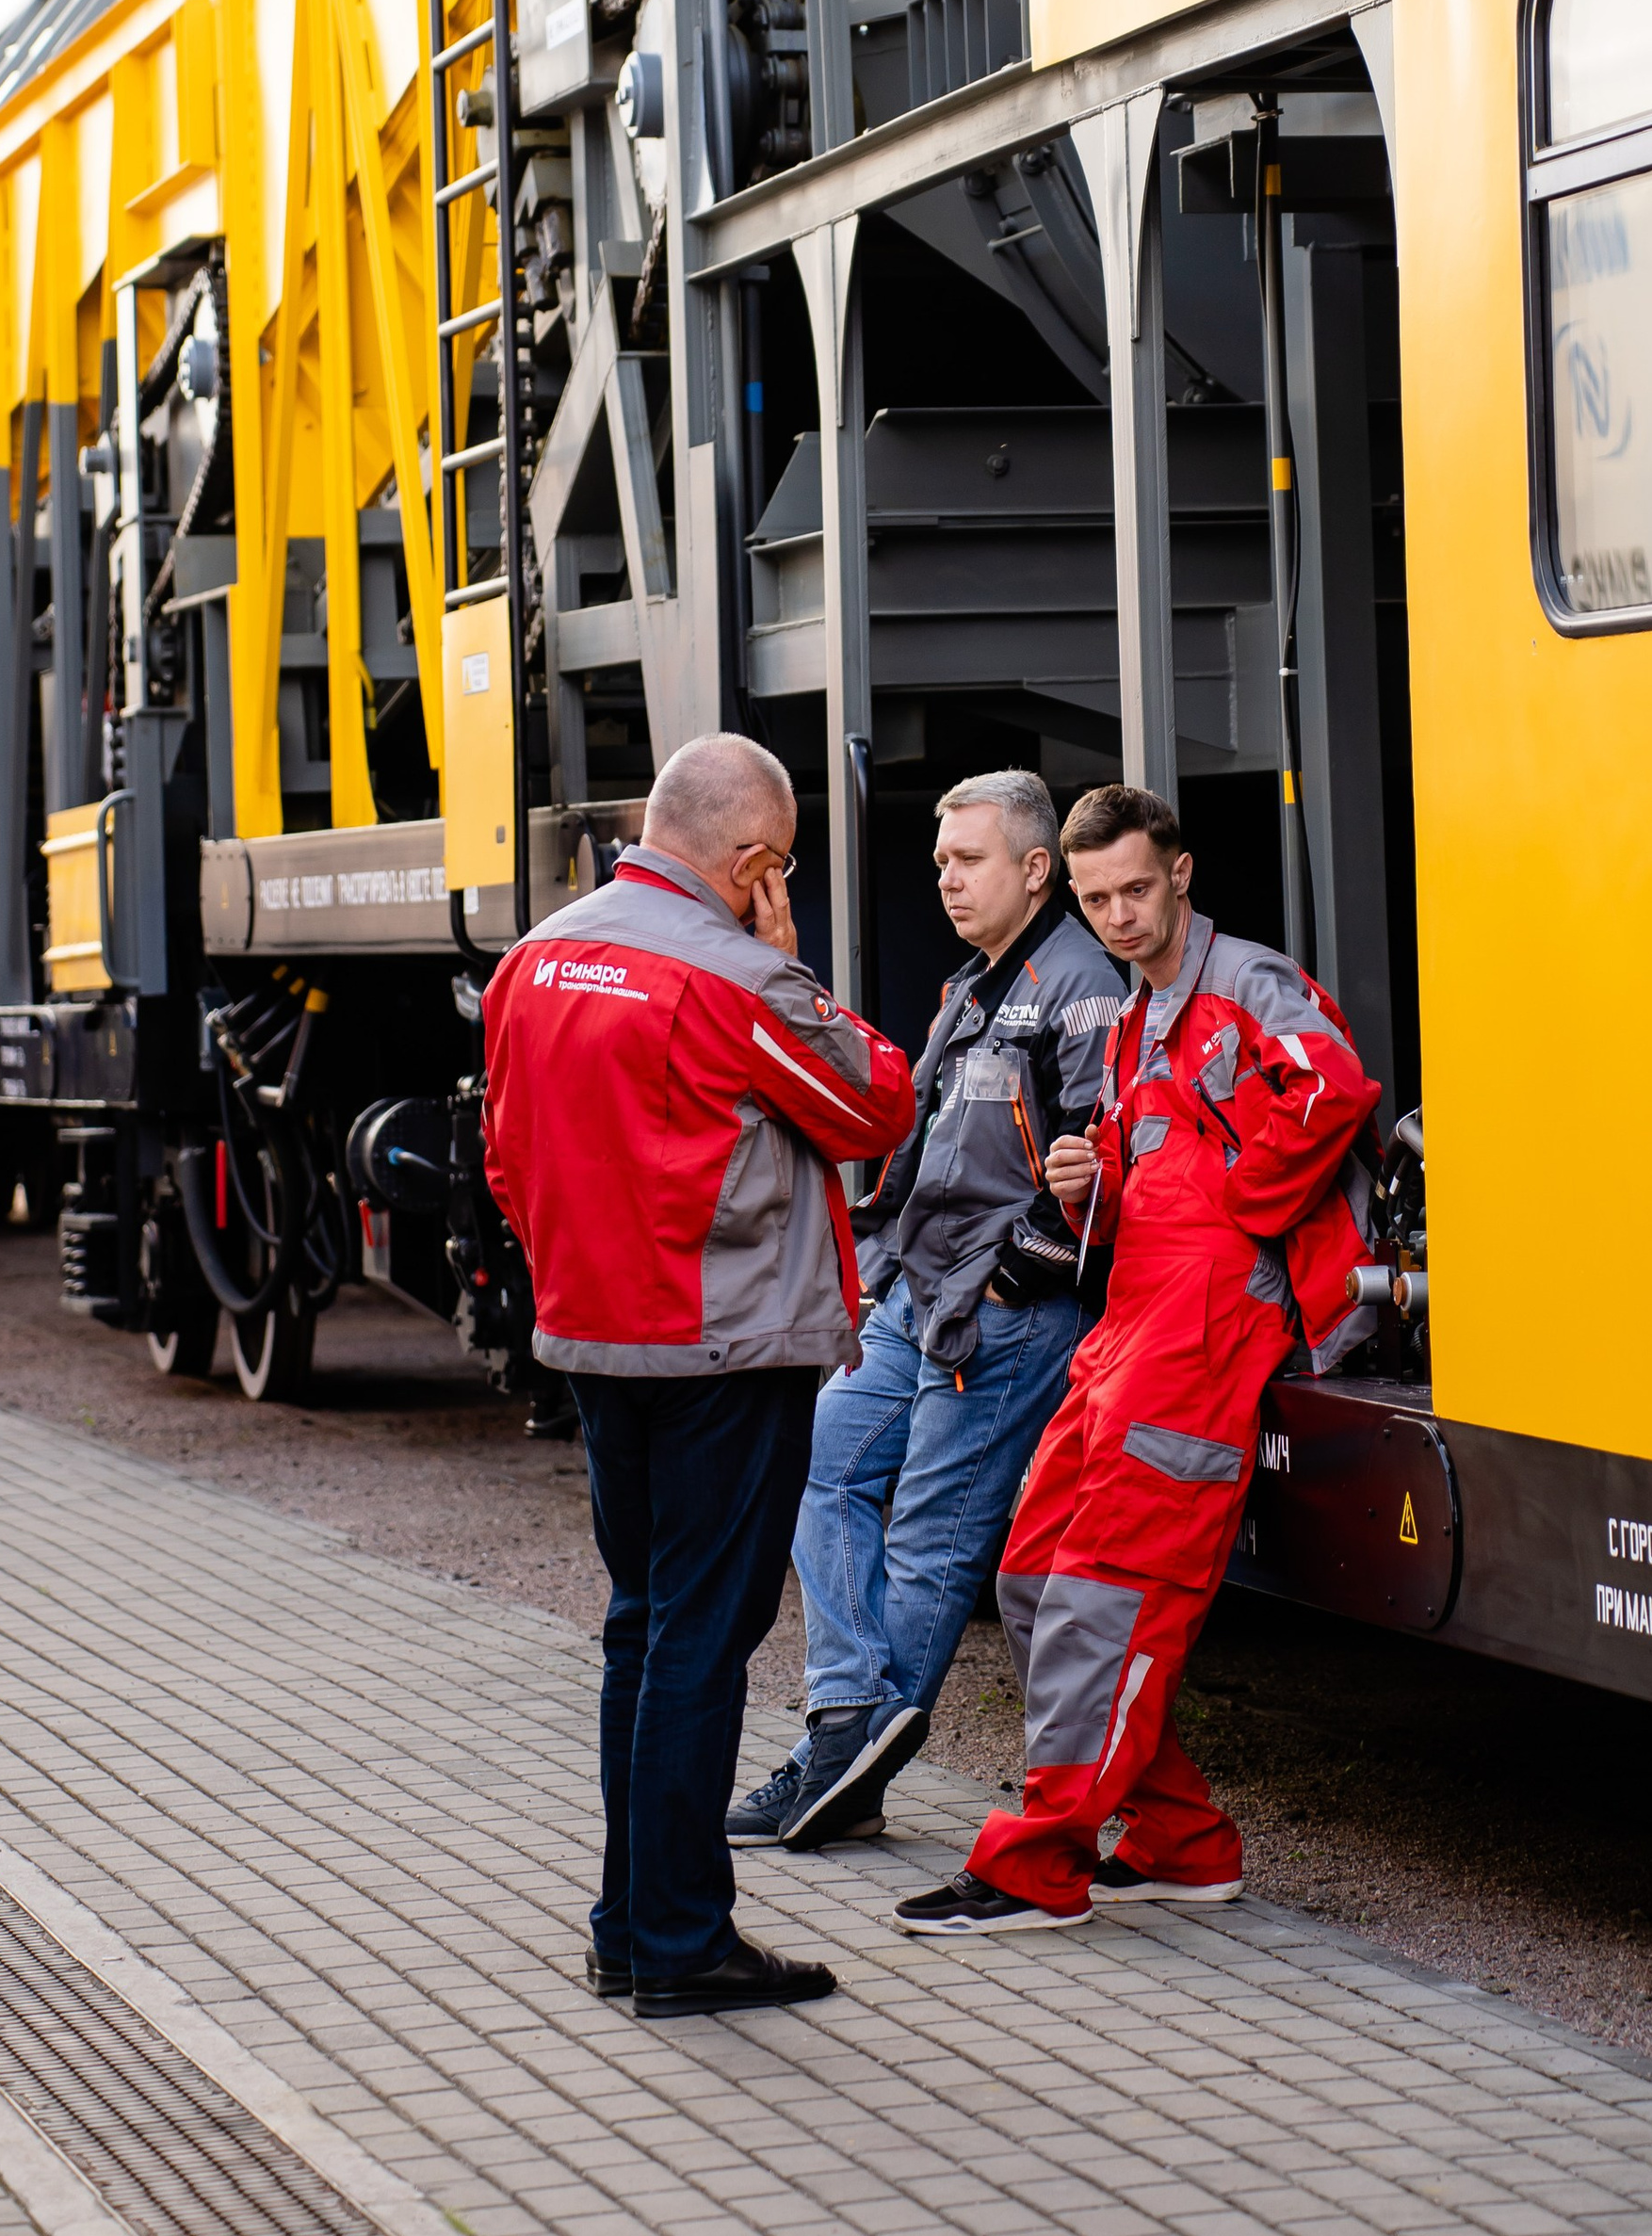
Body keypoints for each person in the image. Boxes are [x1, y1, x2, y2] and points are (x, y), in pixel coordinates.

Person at [895, 783, 1380, 1937]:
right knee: (1030, 1578)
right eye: (1098, 897)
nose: (1117, 915)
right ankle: (1178, 1842)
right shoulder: (1129, 1017)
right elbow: (1138, 1162)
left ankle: (1035, 1865)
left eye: (1135, 889)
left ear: (1180, 874)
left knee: (1104, 1592)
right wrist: (1088, 1178)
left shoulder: (1248, 983)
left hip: (1207, 1324)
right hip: (1131, 1317)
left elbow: (1334, 1091)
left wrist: (1230, 1204)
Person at [483, 731, 914, 2017]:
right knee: (703, 1643)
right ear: (758, 862)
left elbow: (506, 1159)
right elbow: (875, 1105)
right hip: (724, 1348)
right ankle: (676, 1939)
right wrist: (788, 966)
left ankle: (626, 1925)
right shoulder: (733, 977)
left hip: (595, 1340)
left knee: (641, 1623)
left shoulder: (532, 959)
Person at [729, 769, 1125, 1853]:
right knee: (824, 1468)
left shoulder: (1083, 984)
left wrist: (1017, 1277)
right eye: (941, 862)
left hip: (1001, 1312)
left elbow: (1104, 1157)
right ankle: (847, 1715)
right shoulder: (973, 986)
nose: (946, 880)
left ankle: (836, 1772)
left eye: (969, 861)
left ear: (1036, 869)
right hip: (917, 1293)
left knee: (927, 1538)